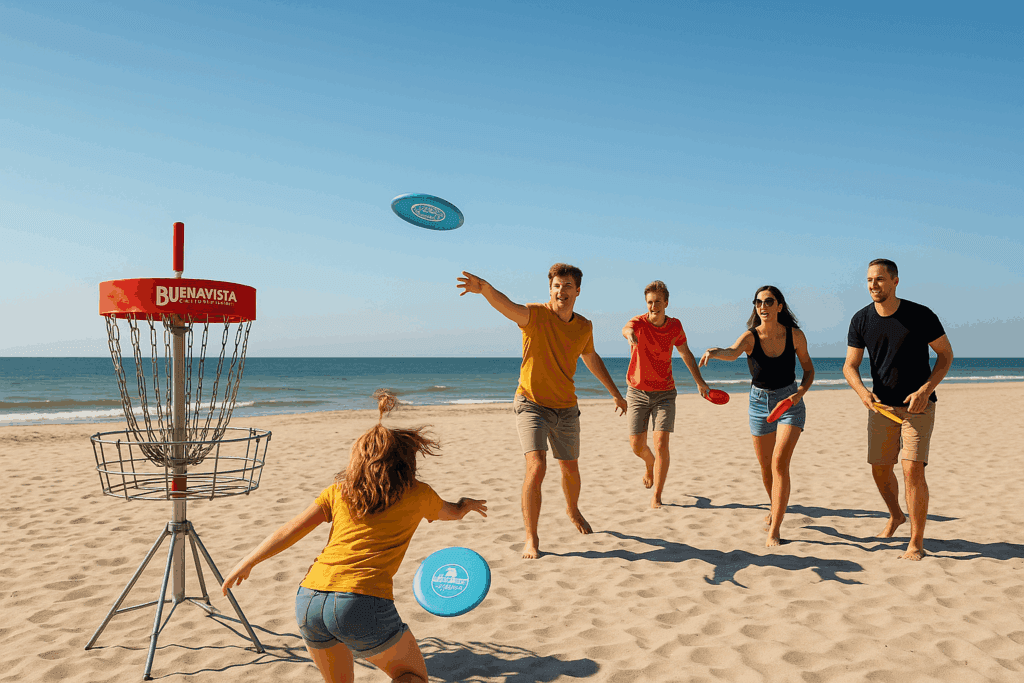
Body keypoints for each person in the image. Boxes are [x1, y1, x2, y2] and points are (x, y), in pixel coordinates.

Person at [221, 391, 487, 683]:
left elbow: (289, 530)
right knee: (410, 675)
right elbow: (451, 512)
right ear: (405, 460)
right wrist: (466, 505)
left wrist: (249, 561)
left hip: (309, 599)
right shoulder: (418, 493)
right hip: (361, 600)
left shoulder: (338, 491)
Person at [457, 264, 627, 559]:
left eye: (567, 286)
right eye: (557, 286)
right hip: (531, 403)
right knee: (537, 467)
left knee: (570, 468)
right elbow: (507, 307)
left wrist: (614, 392)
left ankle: (572, 510)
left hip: (566, 408)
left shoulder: (584, 326)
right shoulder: (535, 315)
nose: (562, 291)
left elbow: (590, 356)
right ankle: (531, 538)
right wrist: (484, 289)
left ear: (577, 291)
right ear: (550, 289)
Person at [843, 259, 953, 561]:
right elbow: (849, 366)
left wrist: (925, 390)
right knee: (880, 469)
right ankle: (896, 515)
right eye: (868, 280)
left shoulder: (920, 315)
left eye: (879, 279)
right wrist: (864, 393)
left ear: (895, 281)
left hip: (918, 407)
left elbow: (945, 356)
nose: (873, 286)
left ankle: (916, 542)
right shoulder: (861, 320)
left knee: (911, 469)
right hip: (881, 408)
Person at [699, 286, 815, 547]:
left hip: (789, 403)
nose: (763, 306)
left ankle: (775, 529)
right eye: (758, 302)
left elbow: (809, 369)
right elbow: (732, 352)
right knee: (765, 468)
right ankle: (775, 504)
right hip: (759, 403)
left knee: (779, 463)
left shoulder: (795, 336)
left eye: (769, 301)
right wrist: (714, 351)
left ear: (779, 306)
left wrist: (799, 394)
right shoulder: (750, 337)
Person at [621, 280, 710, 508]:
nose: (653, 306)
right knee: (636, 446)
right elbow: (626, 328)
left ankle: (657, 496)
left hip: (665, 393)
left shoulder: (675, 326)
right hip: (637, 392)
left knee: (661, 442)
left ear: (666, 303)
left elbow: (686, 354)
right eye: (650, 302)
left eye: (657, 302)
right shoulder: (638, 323)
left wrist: (699, 382)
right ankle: (649, 464)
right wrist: (630, 335)